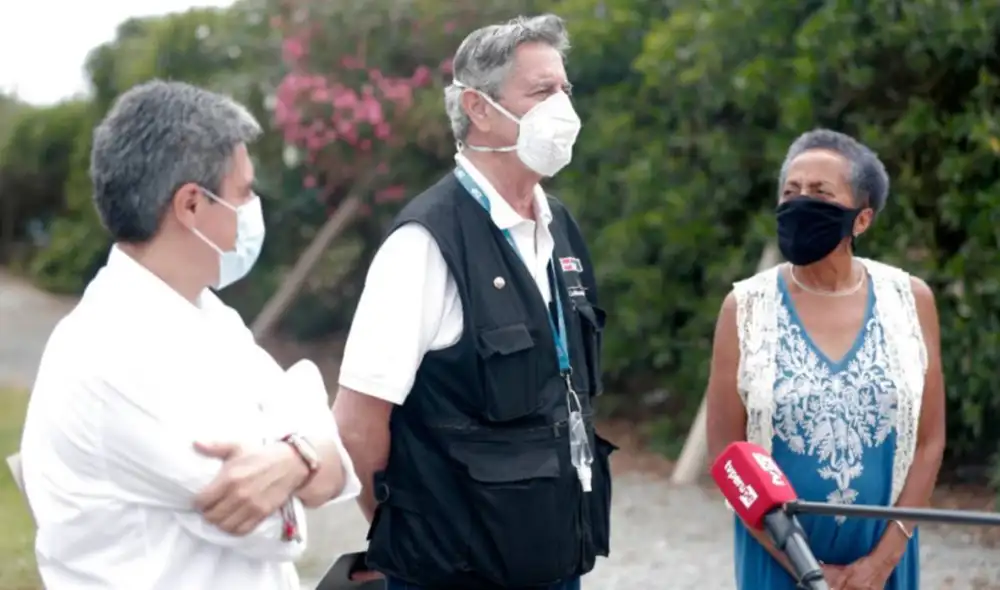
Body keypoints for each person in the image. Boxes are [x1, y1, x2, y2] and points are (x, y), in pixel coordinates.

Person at [19, 80, 361, 590]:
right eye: (244, 193)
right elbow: (273, 527)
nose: (253, 210)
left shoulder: (208, 315)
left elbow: (332, 461)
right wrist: (307, 444)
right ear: (191, 206)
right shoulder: (110, 353)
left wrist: (295, 454)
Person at [332, 13, 614, 590]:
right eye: (541, 92)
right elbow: (358, 423)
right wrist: (405, 532)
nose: (563, 107)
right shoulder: (424, 244)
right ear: (478, 108)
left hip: (556, 559)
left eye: (565, 89)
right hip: (455, 573)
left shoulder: (558, 226)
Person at [705, 129, 946, 590]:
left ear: (862, 219)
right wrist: (804, 567)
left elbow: (931, 440)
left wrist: (881, 562)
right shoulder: (746, 307)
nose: (800, 203)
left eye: (820, 193)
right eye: (790, 191)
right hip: (778, 560)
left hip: (885, 562)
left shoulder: (911, 301)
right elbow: (725, 454)